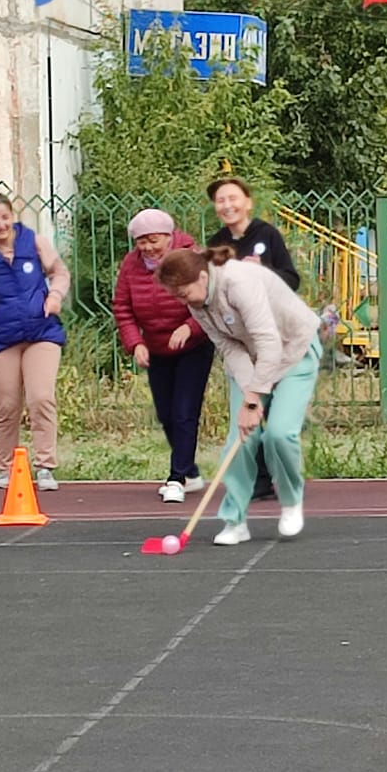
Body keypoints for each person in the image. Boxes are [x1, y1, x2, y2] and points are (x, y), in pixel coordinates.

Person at [155, 245, 321, 544]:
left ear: (202, 277)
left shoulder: (239, 283)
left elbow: (268, 341)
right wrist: (249, 396)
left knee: (279, 434)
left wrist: (254, 400)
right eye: (176, 296)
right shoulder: (196, 303)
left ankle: (291, 501)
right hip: (252, 361)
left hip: (293, 350)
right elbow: (229, 347)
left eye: (183, 293)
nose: (182, 301)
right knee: (239, 439)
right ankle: (235, 521)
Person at [0, 191, 68, 490]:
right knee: (6, 404)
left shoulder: (33, 242)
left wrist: (55, 296)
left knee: (41, 397)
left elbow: (60, 273)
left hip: (41, 333)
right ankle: (5, 469)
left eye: (5, 217)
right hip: (1, 338)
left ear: (12, 216)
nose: (1, 224)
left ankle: (45, 466)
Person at [206, 177, 300, 503]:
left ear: (247, 201)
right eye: (221, 200)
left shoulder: (267, 235)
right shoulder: (215, 244)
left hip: (275, 336)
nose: (227, 205)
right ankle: (258, 481)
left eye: (233, 198)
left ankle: (285, 475)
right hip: (241, 341)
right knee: (248, 408)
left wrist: (263, 273)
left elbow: (292, 279)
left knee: (276, 416)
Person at [112, 208, 214, 504]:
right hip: (157, 348)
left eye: (154, 240)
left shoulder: (190, 257)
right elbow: (122, 308)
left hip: (193, 346)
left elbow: (210, 299)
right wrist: (136, 343)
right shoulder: (131, 265)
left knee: (184, 411)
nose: (148, 247)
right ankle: (190, 472)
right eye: (141, 241)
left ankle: (176, 478)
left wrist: (190, 327)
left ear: (169, 236)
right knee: (166, 414)